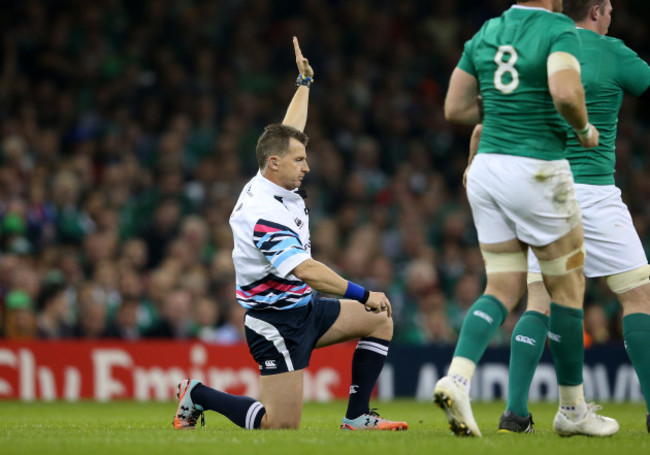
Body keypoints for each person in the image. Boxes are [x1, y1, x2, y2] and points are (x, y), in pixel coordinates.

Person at [171, 37, 407, 431]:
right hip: (274, 322)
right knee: (280, 428)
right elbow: (305, 270)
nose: (307, 167)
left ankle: (357, 417)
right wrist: (363, 293)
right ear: (275, 163)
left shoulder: (274, 176)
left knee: (379, 319)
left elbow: (289, 131)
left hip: (306, 310)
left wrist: (304, 82)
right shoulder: (262, 213)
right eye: (300, 160)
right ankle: (197, 394)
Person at [434, 0, 619, 438]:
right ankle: (573, 409)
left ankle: (457, 379)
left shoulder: (486, 31)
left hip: (485, 169)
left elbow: (455, 109)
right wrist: (584, 129)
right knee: (568, 285)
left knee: (503, 285)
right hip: (536, 169)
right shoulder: (558, 29)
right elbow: (565, 93)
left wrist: (503, 108)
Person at [498, 0, 650, 435]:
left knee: (539, 300)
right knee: (638, 297)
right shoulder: (615, 52)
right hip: (593, 190)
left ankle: (515, 414)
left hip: (540, 188)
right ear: (599, 11)